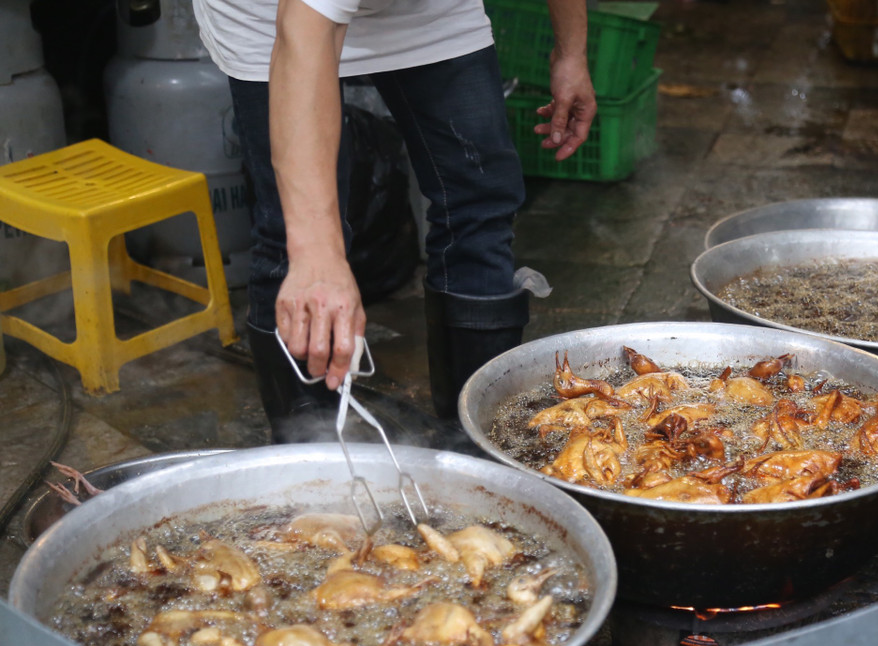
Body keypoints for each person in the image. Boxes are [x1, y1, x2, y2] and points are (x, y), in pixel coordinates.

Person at [192, 0, 596, 440]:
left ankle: (478, 444)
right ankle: (313, 459)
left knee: (480, 197)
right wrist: (318, 259)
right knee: (295, 239)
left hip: (427, 10)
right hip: (274, 16)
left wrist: (570, 53)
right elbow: (305, 31)